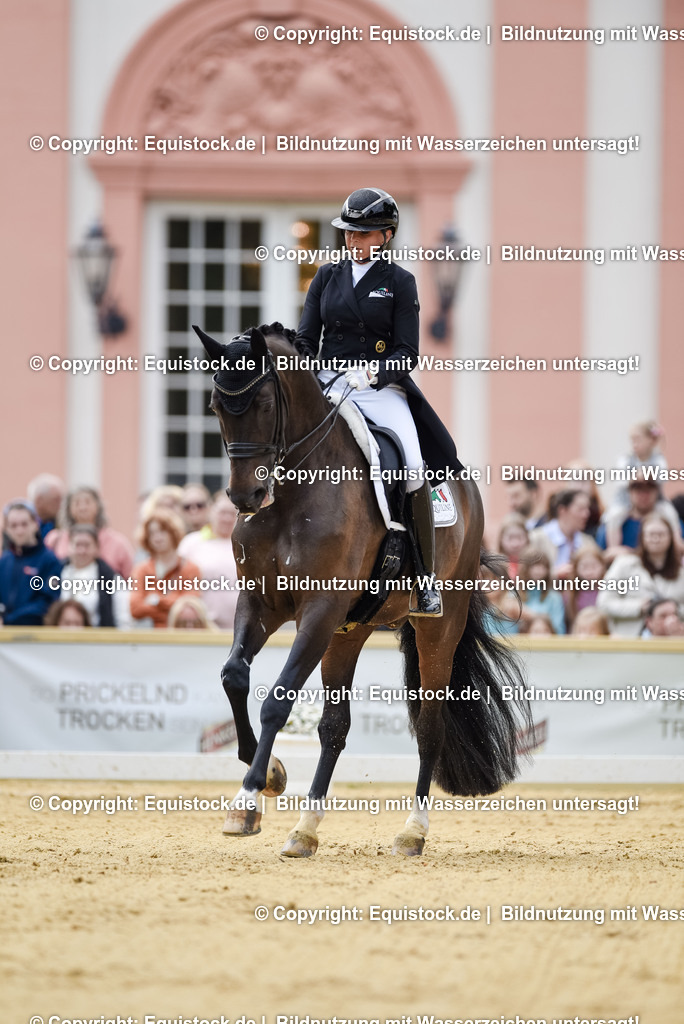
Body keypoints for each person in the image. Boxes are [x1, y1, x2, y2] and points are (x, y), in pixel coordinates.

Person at [294, 186, 463, 616]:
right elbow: (305, 339)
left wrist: (375, 371)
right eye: (349, 232)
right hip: (332, 382)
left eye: (363, 233)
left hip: (380, 388)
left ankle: (424, 578)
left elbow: (408, 352)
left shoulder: (399, 283)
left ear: (385, 236)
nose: (352, 240)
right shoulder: (326, 276)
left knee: (410, 465)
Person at [597, 514, 684, 636]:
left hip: (670, 641)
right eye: (651, 535)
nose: (656, 539)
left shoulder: (681, 573)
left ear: (671, 537)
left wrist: (670, 611)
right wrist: (640, 607)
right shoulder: (624, 564)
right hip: (629, 640)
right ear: (642, 537)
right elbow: (604, 603)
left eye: (661, 534)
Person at [130, 509, 201, 628]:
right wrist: (171, 604)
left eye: (162, 531)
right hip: (150, 637)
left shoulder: (190, 568)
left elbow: (189, 607)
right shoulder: (141, 569)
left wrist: (156, 601)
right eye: (152, 533)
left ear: (173, 532)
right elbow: (135, 609)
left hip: (181, 635)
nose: (157, 538)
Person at [179, 493, 239, 629]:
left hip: (238, 628)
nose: (227, 518)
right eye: (223, 512)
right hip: (201, 626)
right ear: (211, 511)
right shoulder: (191, 543)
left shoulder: (246, 545)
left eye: (233, 513)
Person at [45, 486, 134, 577]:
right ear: (68, 508)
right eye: (77, 503)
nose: (83, 508)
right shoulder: (55, 540)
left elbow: (131, 578)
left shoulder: (117, 542)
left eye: (88, 502)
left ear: (98, 506)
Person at [0, 499, 62, 625]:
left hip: (35, 637)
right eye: (14, 525)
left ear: (35, 524)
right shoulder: (4, 561)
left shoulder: (50, 561)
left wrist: (8, 620)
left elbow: (47, 602)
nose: (19, 531)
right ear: (6, 529)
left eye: (24, 524)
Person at [59, 524, 132, 628]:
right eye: (78, 545)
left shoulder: (110, 578)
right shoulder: (57, 572)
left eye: (87, 545)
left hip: (98, 639)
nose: (82, 551)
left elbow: (124, 619)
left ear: (97, 548)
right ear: (69, 546)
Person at [599, 478, 682, 558]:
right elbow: (602, 557)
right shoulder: (613, 524)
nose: (643, 495)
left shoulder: (670, 521)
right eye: (638, 489)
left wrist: (631, 553)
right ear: (629, 491)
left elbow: (679, 548)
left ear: (657, 491)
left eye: (648, 489)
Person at [529, 489, 592, 576]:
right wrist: (555, 574)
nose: (586, 514)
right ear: (562, 510)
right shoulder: (536, 539)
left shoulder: (588, 542)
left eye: (587, 509)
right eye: (580, 509)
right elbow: (526, 574)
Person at [26, 473, 66, 540]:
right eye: (56, 500)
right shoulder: (23, 523)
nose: (62, 504)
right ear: (39, 501)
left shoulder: (64, 524)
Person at [496, 514, 529, 580]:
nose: (515, 544)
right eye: (510, 538)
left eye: (519, 538)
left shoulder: (532, 563)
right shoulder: (495, 564)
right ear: (501, 539)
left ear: (527, 538)